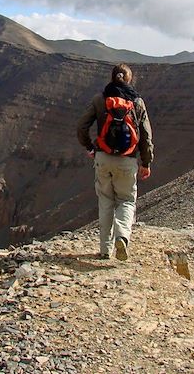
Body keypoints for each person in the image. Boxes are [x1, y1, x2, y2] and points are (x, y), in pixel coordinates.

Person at [77, 63, 154, 261]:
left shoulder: (100, 99)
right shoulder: (137, 102)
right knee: (126, 200)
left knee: (105, 201)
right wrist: (146, 162)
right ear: (129, 79)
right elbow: (146, 135)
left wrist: (90, 148)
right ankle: (122, 237)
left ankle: (105, 250)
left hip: (102, 158)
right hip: (127, 161)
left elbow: (81, 127)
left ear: (112, 78)